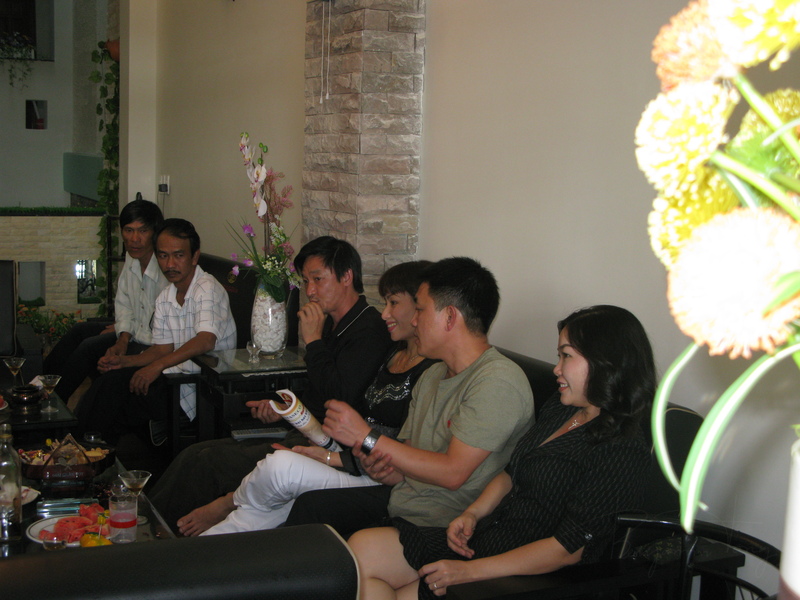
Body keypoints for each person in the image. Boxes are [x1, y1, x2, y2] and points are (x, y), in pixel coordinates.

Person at [349, 305, 655, 600]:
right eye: (558, 356)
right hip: (489, 537)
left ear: (605, 363)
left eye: (567, 356)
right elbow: (512, 471)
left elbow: (566, 550)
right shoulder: (563, 409)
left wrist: (468, 572)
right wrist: (472, 513)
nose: (557, 368)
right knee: (361, 551)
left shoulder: (622, 449)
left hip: (528, 574)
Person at [176, 261, 437, 536]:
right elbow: (346, 407)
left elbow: (396, 450)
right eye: (305, 281)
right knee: (250, 502)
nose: (385, 313)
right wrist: (295, 416)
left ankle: (228, 502)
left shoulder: (426, 369)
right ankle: (183, 548)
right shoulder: (392, 352)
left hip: (369, 472)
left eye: (394, 303)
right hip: (340, 450)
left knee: (277, 466)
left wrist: (330, 456)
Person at [149, 236, 393, 530]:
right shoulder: (331, 322)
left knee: (207, 463)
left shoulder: (369, 330)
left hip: (327, 448)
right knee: (194, 454)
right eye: (305, 281)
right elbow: (317, 389)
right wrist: (282, 409)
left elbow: (339, 397)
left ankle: (157, 534)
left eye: (318, 279)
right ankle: (145, 524)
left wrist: (313, 341)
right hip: (302, 432)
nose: (310, 291)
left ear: (346, 277)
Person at [283, 257, 535, 539]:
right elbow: (407, 465)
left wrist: (366, 437)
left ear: (450, 317)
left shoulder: (497, 380)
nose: (414, 321)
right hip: (403, 503)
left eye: (421, 310)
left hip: (448, 525)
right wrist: (381, 467)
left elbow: (453, 473)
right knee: (310, 506)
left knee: (317, 517)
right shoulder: (432, 375)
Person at [74, 218, 237, 446]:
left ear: (194, 257)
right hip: (173, 378)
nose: (170, 264)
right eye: (163, 256)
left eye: (178, 255)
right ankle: (86, 448)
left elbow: (206, 340)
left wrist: (156, 367)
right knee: (109, 382)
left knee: (113, 397)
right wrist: (124, 362)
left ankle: (84, 448)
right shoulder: (166, 297)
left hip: (201, 388)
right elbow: (162, 348)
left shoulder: (207, 288)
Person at [42, 199, 169, 403]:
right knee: (79, 331)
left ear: (155, 233)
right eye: (128, 230)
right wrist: (122, 337)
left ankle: (53, 403)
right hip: (133, 333)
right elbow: (125, 304)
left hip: (150, 342)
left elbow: (155, 329)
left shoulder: (167, 269)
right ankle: (39, 387)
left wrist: (123, 334)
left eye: (143, 231)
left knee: (89, 346)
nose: (134, 239)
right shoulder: (132, 258)